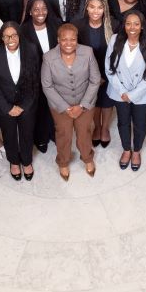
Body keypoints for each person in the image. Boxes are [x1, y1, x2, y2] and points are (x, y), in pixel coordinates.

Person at [41, 23, 101, 181]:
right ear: (58, 40)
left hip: (85, 103)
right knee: (64, 134)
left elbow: (95, 81)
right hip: (60, 106)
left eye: (72, 39)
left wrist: (82, 106)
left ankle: (87, 158)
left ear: (77, 39)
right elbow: (47, 85)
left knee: (84, 133)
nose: (69, 43)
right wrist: (66, 108)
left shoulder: (87, 52)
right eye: (64, 39)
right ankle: (63, 161)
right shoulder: (48, 57)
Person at [106, 10, 146, 171]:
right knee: (123, 122)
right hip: (118, 92)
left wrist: (132, 95)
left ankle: (136, 151)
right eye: (128, 23)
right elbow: (109, 69)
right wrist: (122, 91)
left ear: (142, 26)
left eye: (136, 24)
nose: (132, 27)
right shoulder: (115, 40)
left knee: (140, 124)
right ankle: (126, 149)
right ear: (124, 25)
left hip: (141, 95)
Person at [0, 22, 41, 180]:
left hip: (27, 103)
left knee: (27, 133)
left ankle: (26, 161)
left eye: (13, 35)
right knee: (9, 134)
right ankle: (13, 161)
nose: (10, 39)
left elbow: (35, 80)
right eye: (6, 36)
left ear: (19, 35)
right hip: (4, 105)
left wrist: (24, 105)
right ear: (2, 37)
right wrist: (7, 107)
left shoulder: (31, 49)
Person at [72, 0, 116, 148]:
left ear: (105, 9)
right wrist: (94, 77)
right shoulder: (78, 26)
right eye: (92, 7)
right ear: (87, 8)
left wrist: (105, 75)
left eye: (99, 7)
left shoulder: (114, 25)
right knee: (94, 102)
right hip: (88, 74)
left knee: (107, 102)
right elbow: (75, 54)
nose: (96, 11)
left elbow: (117, 54)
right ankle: (97, 127)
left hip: (109, 74)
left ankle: (105, 129)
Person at [20, 0, 59, 153]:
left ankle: (54, 133)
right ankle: (41, 137)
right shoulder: (22, 31)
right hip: (34, 78)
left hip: (55, 76)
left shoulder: (56, 25)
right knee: (39, 108)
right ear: (30, 12)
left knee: (55, 106)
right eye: (36, 9)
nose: (40, 12)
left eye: (43, 8)